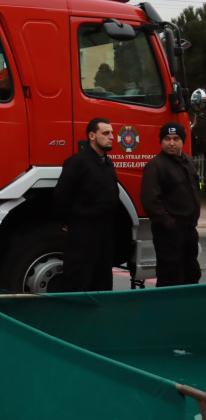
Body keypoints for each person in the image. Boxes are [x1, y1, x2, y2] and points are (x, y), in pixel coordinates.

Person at [53, 118, 120, 292]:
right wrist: (68, 223)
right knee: (79, 281)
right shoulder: (76, 162)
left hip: (105, 234)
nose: (112, 137)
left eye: (112, 133)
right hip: (83, 234)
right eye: (106, 133)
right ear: (92, 136)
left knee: (103, 282)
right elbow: (62, 196)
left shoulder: (107, 163)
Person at [140, 122, 201, 287]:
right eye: (167, 139)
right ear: (161, 141)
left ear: (183, 141)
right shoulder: (155, 166)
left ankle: (188, 310)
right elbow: (150, 201)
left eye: (176, 138)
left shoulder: (188, 162)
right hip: (169, 232)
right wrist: (170, 224)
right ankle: (167, 311)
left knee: (192, 273)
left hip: (189, 230)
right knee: (171, 276)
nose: (171, 143)